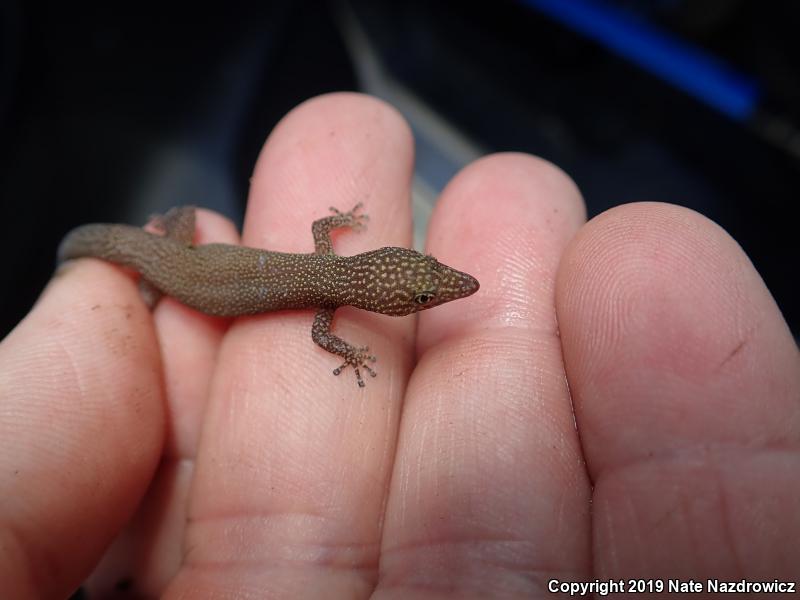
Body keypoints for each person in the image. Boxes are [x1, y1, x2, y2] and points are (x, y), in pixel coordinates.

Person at [1, 93, 797, 599]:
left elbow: (322, 241)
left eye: (427, 279)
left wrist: (341, 228)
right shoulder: (324, 297)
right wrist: (348, 352)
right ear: (378, 285)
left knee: (166, 235)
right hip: (177, 278)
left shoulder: (325, 271)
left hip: (186, 269)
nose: (447, 285)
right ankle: (127, 265)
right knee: (127, 247)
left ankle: (132, 259)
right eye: (425, 287)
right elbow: (322, 327)